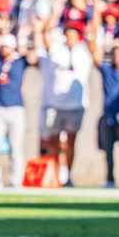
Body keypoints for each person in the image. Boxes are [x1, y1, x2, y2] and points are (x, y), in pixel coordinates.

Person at [38, 19, 92, 187]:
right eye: (68, 35)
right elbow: (45, 35)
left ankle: (67, 175)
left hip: (75, 105)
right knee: (53, 142)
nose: (70, 38)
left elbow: (95, 40)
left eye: (73, 35)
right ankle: (54, 174)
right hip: (55, 103)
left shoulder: (84, 52)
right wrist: (54, 12)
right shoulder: (57, 50)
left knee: (71, 142)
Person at [0, 32, 35, 187]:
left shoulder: (19, 61)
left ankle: (16, 180)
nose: (3, 49)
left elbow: (33, 56)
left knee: (16, 147)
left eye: (7, 47)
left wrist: (23, 46)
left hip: (16, 109)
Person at [89, 35, 119, 189]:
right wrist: (102, 43)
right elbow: (96, 59)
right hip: (108, 116)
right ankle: (110, 179)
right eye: (115, 55)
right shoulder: (107, 70)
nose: (117, 58)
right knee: (108, 151)